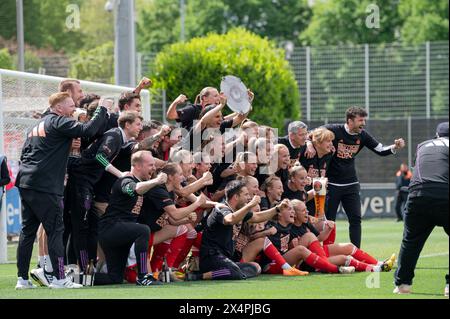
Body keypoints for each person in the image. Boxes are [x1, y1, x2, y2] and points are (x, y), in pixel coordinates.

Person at [15, 92, 107, 290]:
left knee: (27, 231)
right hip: (45, 185)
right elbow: (89, 130)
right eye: (71, 105)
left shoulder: (36, 125)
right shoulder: (58, 121)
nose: (74, 109)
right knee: (56, 230)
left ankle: (22, 279)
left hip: (26, 181)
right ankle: (58, 279)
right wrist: (103, 108)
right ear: (58, 108)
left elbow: (26, 153)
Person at [306, 106, 405, 247]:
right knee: (329, 221)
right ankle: (327, 252)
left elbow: (381, 149)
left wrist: (394, 147)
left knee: (356, 219)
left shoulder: (363, 135)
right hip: (330, 184)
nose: (363, 123)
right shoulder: (333, 129)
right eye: (360, 120)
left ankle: (356, 253)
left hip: (351, 184)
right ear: (350, 121)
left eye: (364, 120)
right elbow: (311, 134)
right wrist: (309, 143)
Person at [95, 151, 166, 286]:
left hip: (121, 233)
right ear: (138, 166)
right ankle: (143, 276)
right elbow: (133, 190)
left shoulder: (144, 184)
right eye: (150, 165)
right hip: (111, 228)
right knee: (143, 230)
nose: (154, 168)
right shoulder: (125, 180)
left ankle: (80, 278)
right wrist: (156, 180)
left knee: (114, 278)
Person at [394, 122, 449, 296]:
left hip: (418, 195)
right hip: (445, 194)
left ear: (437, 135)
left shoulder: (423, 145)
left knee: (410, 241)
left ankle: (403, 284)